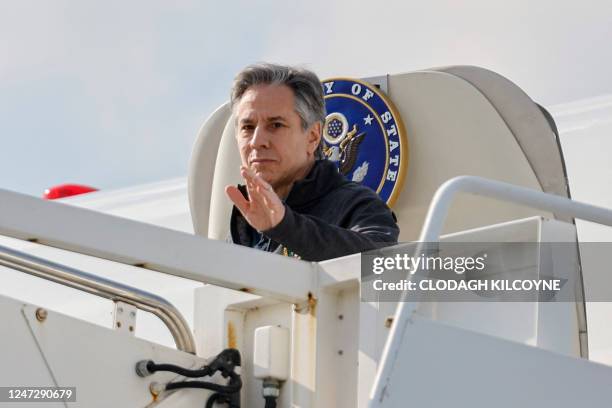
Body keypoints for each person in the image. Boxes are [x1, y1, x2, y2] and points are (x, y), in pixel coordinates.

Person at [225, 63, 399, 262]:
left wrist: (285, 226)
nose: (257, 141)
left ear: (313, 137)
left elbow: (386, 264)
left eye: (275, 125)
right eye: (247, 127)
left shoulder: (356, 205)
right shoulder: (240, 229)